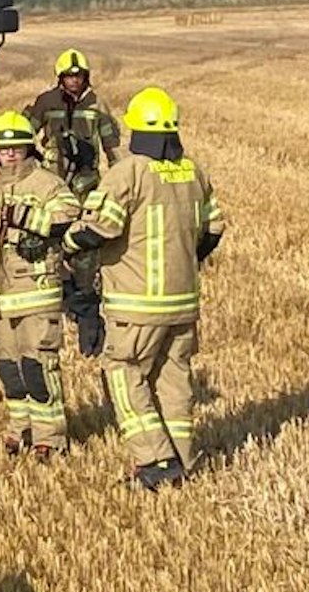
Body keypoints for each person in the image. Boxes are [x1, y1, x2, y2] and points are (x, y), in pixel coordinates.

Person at [63, 87, 225, 489]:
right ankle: (183, 460)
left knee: (123, 373)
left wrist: (70, 241)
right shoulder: (194, 171)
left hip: (135, 305)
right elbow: (214, 229)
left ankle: (154, 460)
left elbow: (102, 227)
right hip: (184, 303)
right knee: (173, 381)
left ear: (136, 129)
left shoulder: (129, 172)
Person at [0, 111, 82, 459]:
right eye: (3, 148)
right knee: (9, 368)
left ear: (29, 149)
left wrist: (25, 218)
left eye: (17, 147)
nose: (10, 154)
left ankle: (50, 438)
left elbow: (68, 217)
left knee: (38, 367)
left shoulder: (47, 184)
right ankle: (19, 431)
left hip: (37, 291)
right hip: (0, 295)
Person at [27, 49, 120, 357]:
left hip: (86, 183)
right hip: (53, 186)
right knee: (49, 237)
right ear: (60, 78)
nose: (74, 81)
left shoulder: (98, 106)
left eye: (78, 76)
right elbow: (25, 133)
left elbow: (113, 148)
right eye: (69, 76)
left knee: (83, 243)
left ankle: (84, 294)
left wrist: (115, 180)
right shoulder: (46, 102)